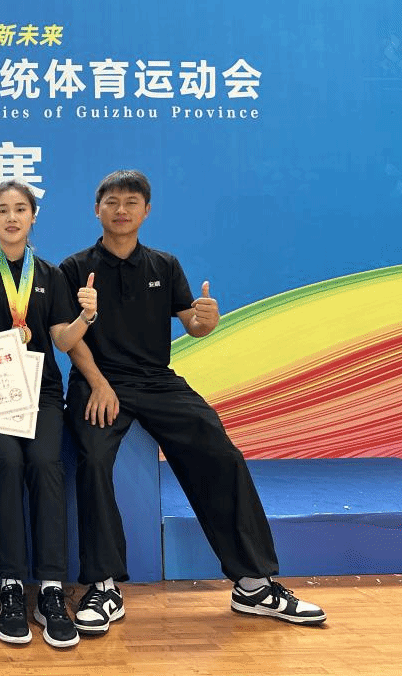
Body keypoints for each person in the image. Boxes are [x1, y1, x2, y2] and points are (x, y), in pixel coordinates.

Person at [58, 169, 326, 635]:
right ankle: (103, 587)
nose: (121, 210)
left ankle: (253, 584)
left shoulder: (164, 265)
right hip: (98, 381)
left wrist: (207, 320)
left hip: (157, 381)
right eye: (112, 202)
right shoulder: (74, 267)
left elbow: (193, 324)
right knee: (94, 460)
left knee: (220, 452)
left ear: (146, 211)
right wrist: (98, 383)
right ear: (96, 209)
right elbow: (68, 338)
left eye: (131, 202)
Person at [0, 180, 97, 648]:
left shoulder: (50, 274)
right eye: (2, 210)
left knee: (44, 464)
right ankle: (12, 585)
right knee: (6, 464)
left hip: (41, 394)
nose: (12, 217)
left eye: (20, 209)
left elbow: (61, 339)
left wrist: (85, 319)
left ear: (33, 216)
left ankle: (51, 588)